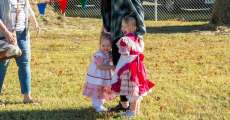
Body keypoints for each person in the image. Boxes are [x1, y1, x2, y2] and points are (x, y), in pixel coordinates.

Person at [111, 16, 155, 117]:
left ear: (131, 28)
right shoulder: (138, 39)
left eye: (123, 27)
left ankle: (131, 112)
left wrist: (119, 69)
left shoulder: (124, 40)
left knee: (132, 91)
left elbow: (125, 56)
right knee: (136, 90)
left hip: (129, 70)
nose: (122, 29)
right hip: (138, 67)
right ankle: (135, 111)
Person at [109, 0, 147, 112]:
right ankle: (124, 104)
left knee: (130, 77)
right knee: (119, 72)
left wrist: (136, 37)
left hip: (127, 40)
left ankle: (132, 106)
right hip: (117, 34)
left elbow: (137, 10)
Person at [0, 0, 39, 103]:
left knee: (24, 64)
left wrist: (34, 21)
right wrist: (6, 33)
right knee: (2, 66)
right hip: (5, 35)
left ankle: (27, 97)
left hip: (22, 34)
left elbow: (27, 7)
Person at [83, 33, 115, 112]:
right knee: (97, 89)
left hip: (103, 75)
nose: (105, 47)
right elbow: (100, 66)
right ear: (100, 45)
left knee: (102, 89)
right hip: (97, 75)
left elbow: (111, 60)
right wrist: (112, 67)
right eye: (103, 45)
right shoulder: (99, 54)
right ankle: (97, 105)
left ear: (111, 45)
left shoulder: (108, 53)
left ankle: (100, 103)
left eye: (108, 45)